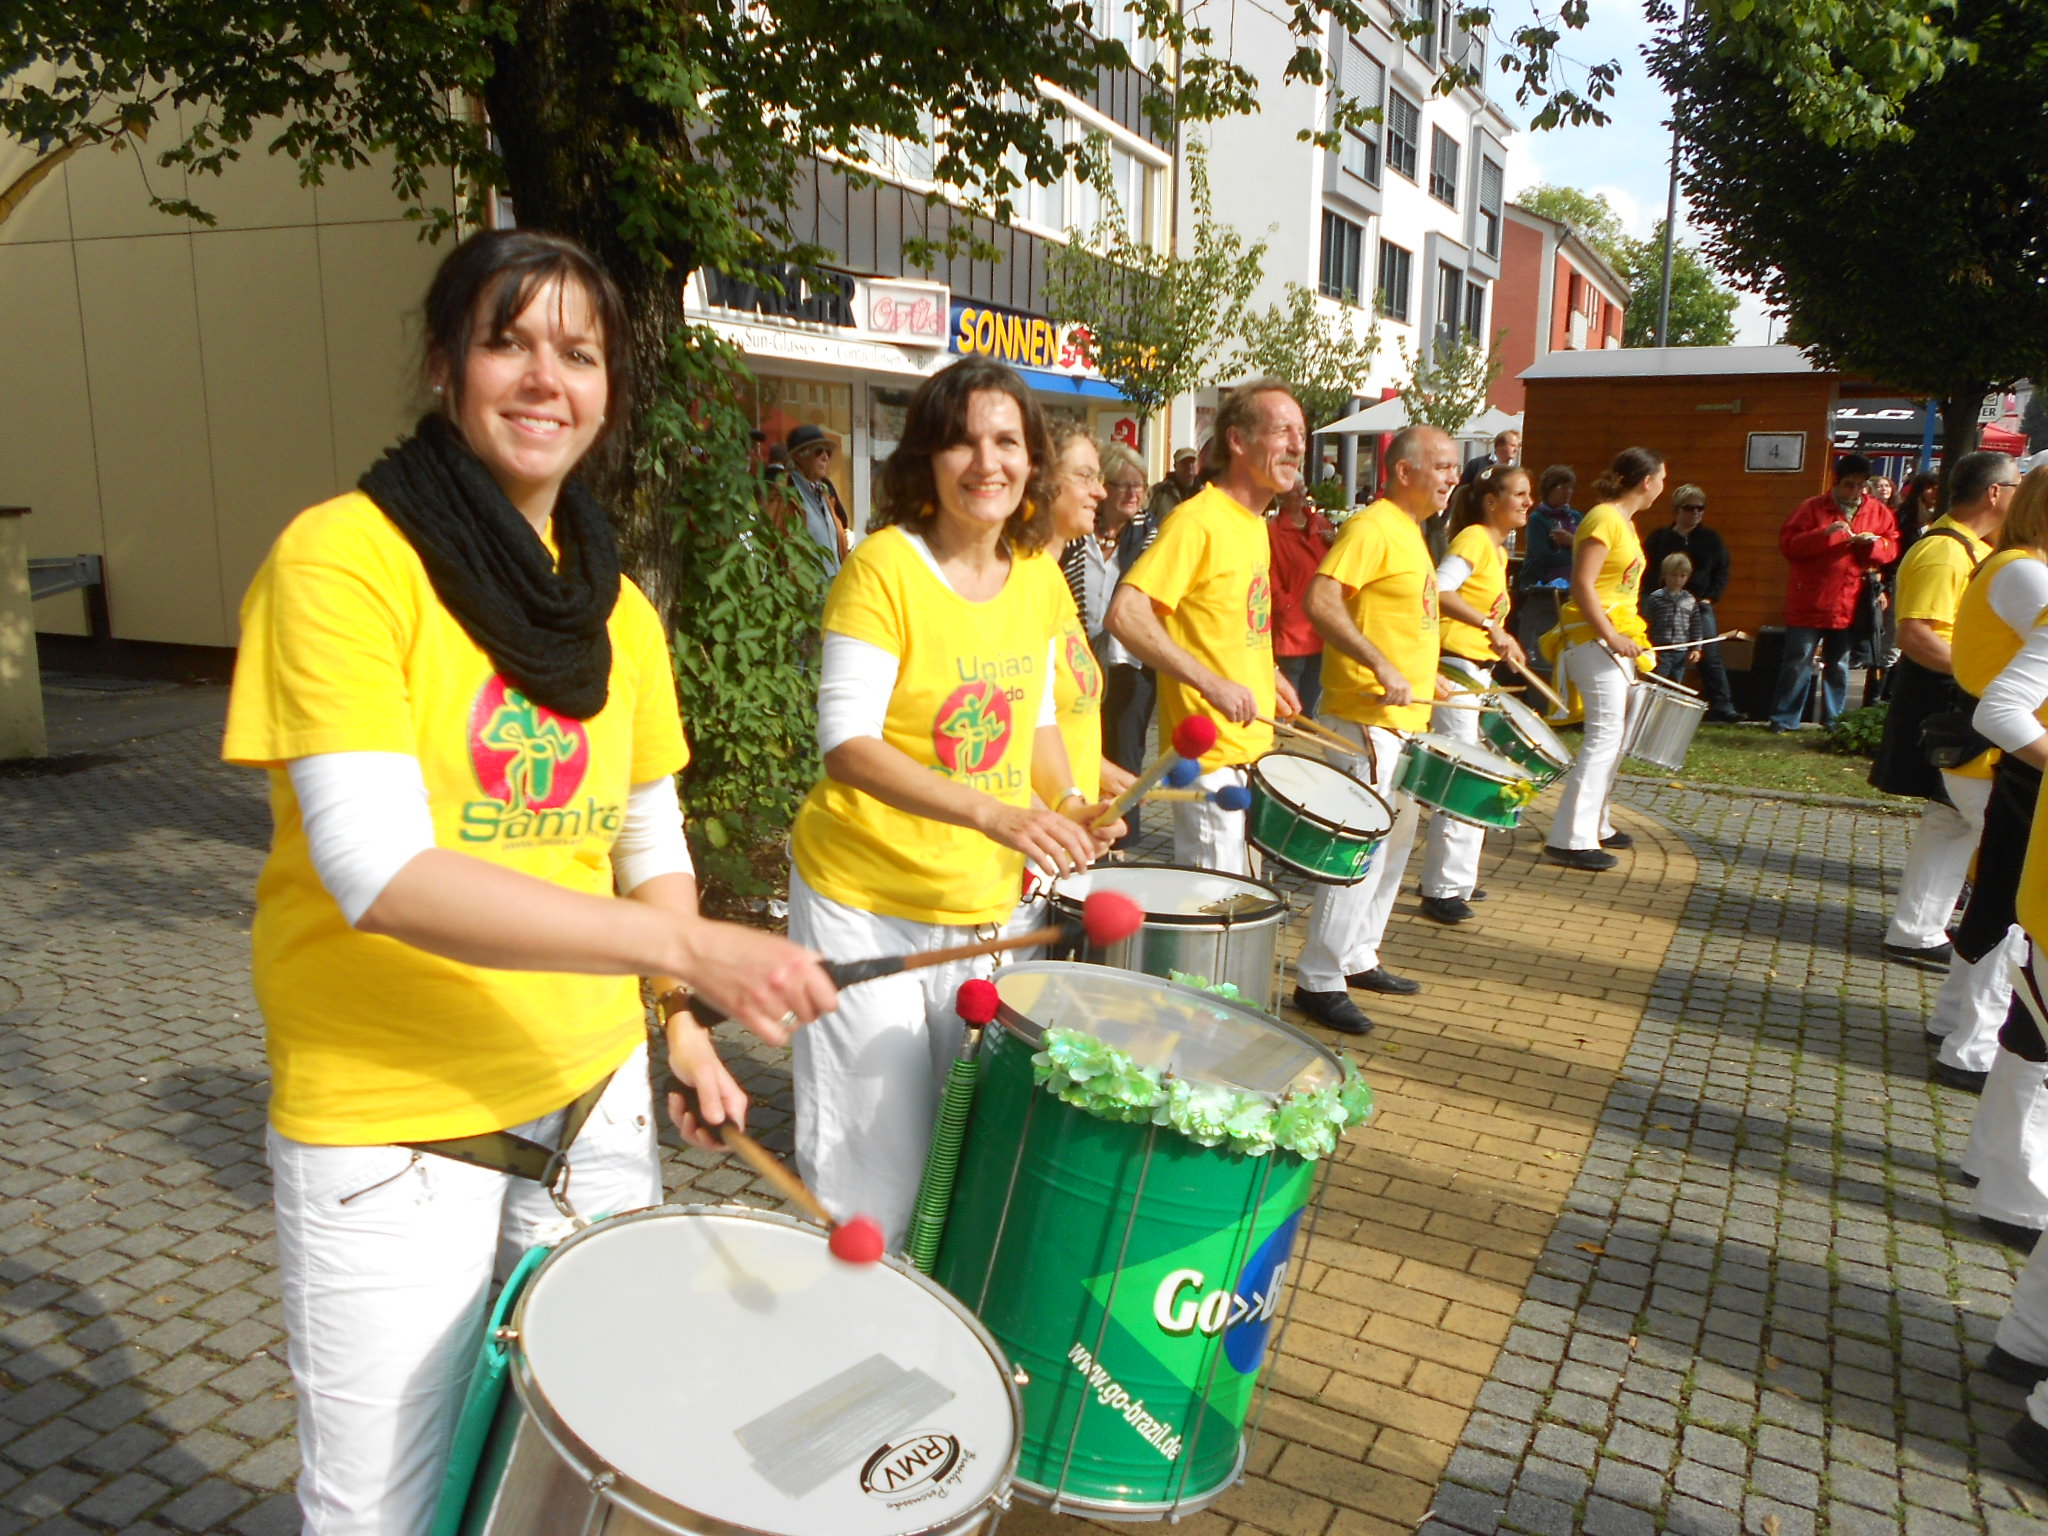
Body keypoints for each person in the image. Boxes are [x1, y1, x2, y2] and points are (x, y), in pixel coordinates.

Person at [220, 228, 840, 1533]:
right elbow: (378, 870)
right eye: (510, 340)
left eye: (579, 350)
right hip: (394, 1131)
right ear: (447, 364)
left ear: (612, 385)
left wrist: (675, 1010)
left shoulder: (614, 605)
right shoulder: (343, 561)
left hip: (591, 1109)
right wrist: (712, 955)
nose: (545, 378)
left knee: (574, 1474)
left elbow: (648, 840)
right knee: (379, 1511)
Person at [789, 357, 1120, 1251]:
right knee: (873, 1165)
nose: (987, 461)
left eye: (1007, 441)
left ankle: (933, 1343)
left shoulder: (1036, 577)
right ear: (926, 459)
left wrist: (1073, 799)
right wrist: (996, 815)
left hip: (980, 906)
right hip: (866, 906)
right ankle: (852, 1351)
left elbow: (1038, 723)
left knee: (960, 1148)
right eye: (962, 440)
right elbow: (847, 744)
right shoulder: (884, 568)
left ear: (1033, 461)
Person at [1290, 424, 1487, 1035]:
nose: (1454, 478)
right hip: (1364, 715)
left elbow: (1404, 623)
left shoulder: (1412, 533)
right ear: (1404, 472)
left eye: (1455, 468)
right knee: (1359, 846)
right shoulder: (1371, 527)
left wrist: (1429, 679)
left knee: (1395, 842)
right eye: (1444, 466)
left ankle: (1356, 954)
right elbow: (1321, 600)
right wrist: (1377, 664)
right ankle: (1317, 979)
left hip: (1403, 716)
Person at [1108, 379, 1305, 873]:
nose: (1298, 446)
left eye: (1301, 433)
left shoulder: (1253, 524)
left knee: (1244, 916)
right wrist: (1209, 683)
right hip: (1207, 758)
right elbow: (1126, 614)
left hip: (1251, 751)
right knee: (1215, 917)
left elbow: (1233, 624)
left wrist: (1270, 674)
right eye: (1282, 431)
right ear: (1238, 441)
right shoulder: (1197, 521)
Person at [1874, 451, 2024, 964]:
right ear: (1995, 493)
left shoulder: (1965, 548)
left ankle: (1916, 930)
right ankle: (1982, 950)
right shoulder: (1945, 552)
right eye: (2018, 485)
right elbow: (1917, 636)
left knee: (1950, 824)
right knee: (1993, 829)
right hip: (1951, 708)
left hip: (1954, 704)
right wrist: (1991, 680)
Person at [1418, 464, 1533, 924]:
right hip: (1453, 668)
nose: (1528, 502)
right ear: (1491, 501)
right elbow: (1438, 591)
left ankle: (1455, 880)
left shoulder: (1496, 549)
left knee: (1472, 768)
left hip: (1474, 669)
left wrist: (1501, 639)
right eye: (1520, 494)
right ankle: (1442, 887)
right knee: (1464, 773)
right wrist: (1489, 627)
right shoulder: (1471, 540)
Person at [1543, 447, 1667, 872]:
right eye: (1662, 479)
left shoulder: (1624, 523)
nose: (1663, 487)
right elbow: (1582, 584)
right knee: (1602, 737)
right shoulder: (1603, 518)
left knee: (1615, 736)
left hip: (1614, 639)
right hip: (1594, 641)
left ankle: (1596, 823)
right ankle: (1569, 837)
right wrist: (1611, 635)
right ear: (1646, 481)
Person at [1768, 453, 1899, 732]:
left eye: (1861, 486)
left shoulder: (1878, 512)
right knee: (1798, 661)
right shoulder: (1811, 508)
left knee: (1838, 664)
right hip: (1810, 599)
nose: (1855, 492)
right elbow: (1789, 546)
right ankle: (1784, 719)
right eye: (1849, 485)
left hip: (1851, 601)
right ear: (1837, 483)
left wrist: (1873, 546)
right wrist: (1824, 535)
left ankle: (1834, 721)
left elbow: (1892, 548)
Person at [1063, 439, 1153, 843]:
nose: (1133, 493)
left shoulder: (1150, 537)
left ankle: (1121, 841)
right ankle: (1085, 820)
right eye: (1124, 484)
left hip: (1131, 663)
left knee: (1127, 752)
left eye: (1141, 485)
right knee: (1084, 744)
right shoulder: (1076, 536)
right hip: (1082, 661)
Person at [1642, 484, 1740, 720]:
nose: (1695, 513)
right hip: (1664, 604)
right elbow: (1646, 570)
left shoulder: (1710, 539)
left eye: (1700, 508)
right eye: (1690, 508)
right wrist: (1651, 599)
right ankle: (1652, 705)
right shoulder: (1660, 538)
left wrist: (1709, 597)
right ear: (1676, 510)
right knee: (1660, 653)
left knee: (1710, 653)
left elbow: (1722, 570)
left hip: (1698, 604)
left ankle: (1723, 706)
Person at [1269, 480, 1337, 718]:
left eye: (1302, 488)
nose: (1300, 493)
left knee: (1313, 693)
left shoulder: (1321, 526)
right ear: (1280, 496)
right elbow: (1270, 575)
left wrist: (1336, 543)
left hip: (1319, 622)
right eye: (1293, 490)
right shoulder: (1274, 531)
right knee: (1289, 698)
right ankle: (1285, 742)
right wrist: (1285, 605)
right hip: (1293, 624)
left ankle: (1305, 739)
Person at [1516, 466, 1580, 673]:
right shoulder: (1538, 519)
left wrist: (1572, 542)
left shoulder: (1576, 517)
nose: (1567, 492)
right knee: (1541, 642)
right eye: (1561, 486)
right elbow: (1544, 556)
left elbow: (1589, 550)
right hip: (1542, 589)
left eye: (1570, 487)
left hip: (1572, 590)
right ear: (1549, 489)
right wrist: (1575, 551)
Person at [785, 422, 851, 574]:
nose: (825, 457)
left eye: (828, 452)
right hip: (807, 593)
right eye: (818, 451)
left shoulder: (826, 494)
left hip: (834, 591)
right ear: (798, 456)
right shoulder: (784, 495)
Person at [1643, 552, 1707, 684]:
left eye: (1682, 576)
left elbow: (1696, 626)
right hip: (1660, 650)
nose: (1678, 580)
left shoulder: (1689, 600)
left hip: (1681, 651)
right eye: (1673, 575)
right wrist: (1644, 644)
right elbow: (1646, 623)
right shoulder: (1656, 598)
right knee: (1656, 683)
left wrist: (1696, 648)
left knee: (1676, 684)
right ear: (1665, 575)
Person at [1147, 445, 1203, 525]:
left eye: (1192, 462)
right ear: (1175, 466)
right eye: (1184, 462)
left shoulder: (1205, 492)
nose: (1189, 466)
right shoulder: (1160, 492)